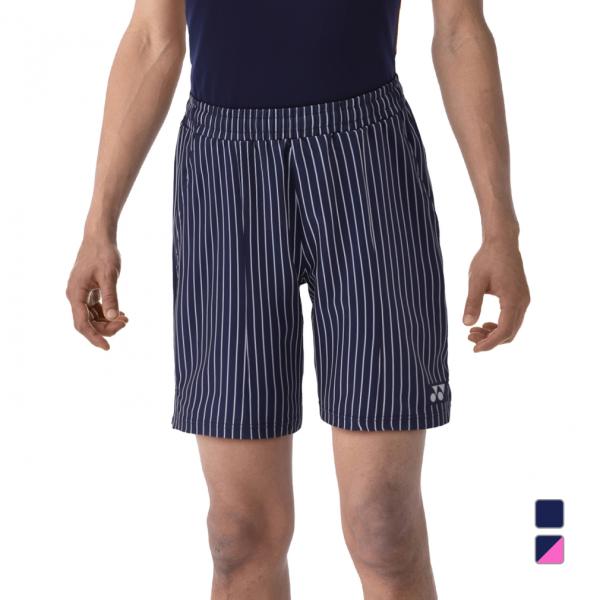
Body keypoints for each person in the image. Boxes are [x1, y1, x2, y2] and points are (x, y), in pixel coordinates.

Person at [65, 0, 530, 598]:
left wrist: (500, 229)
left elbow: (460, 31)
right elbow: (153, 39)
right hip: (226, 171)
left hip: (367, 163)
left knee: (383, 524)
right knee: (238, 533)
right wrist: (99, 224)